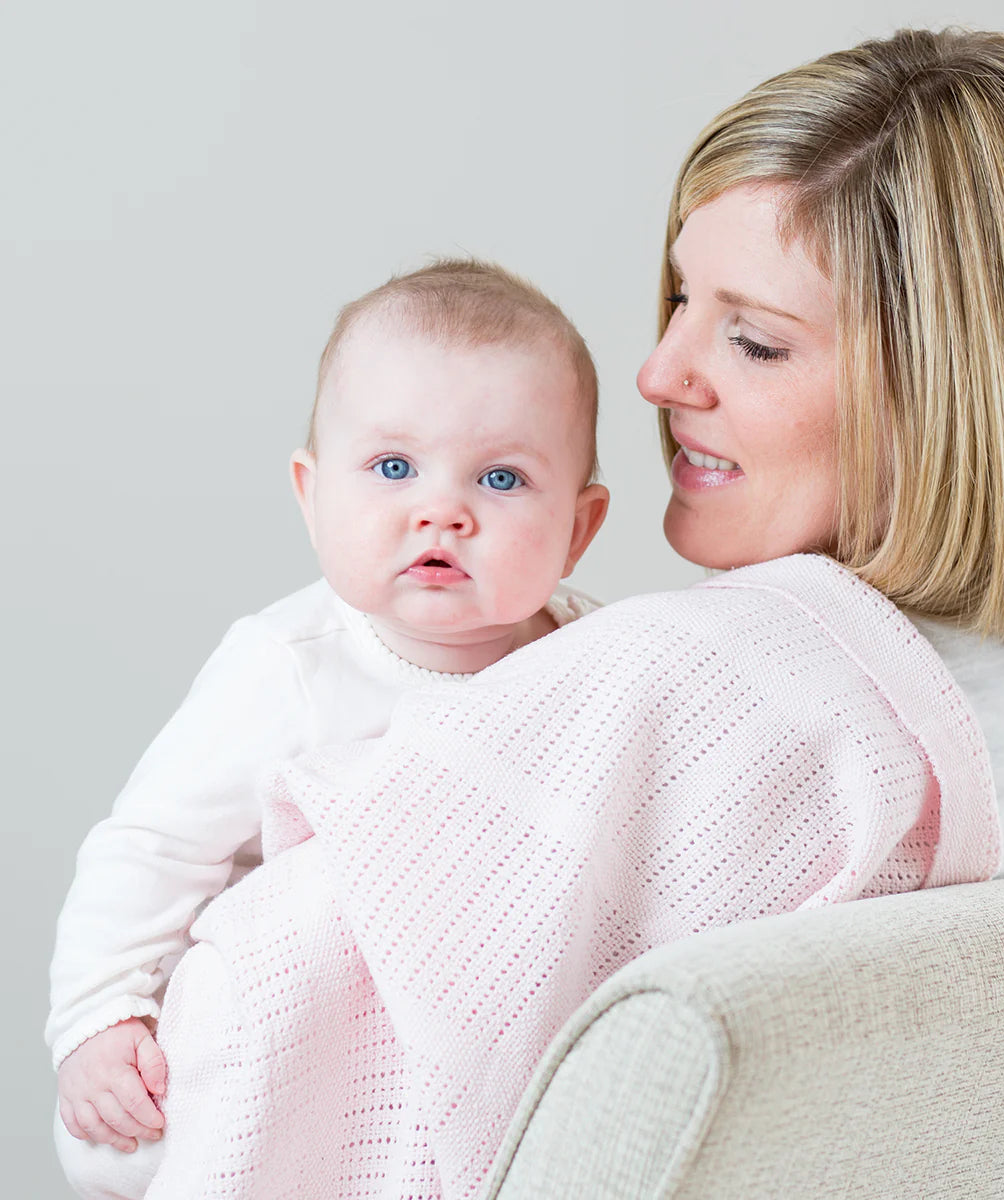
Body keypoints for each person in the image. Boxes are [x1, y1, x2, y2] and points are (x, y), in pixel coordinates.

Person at [62, 25, 1004, 1200]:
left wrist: (107, 1057)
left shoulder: (669, 687)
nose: (658, 371)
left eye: (751, 339)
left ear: (954, 394)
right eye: (682, 297)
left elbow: (204, 1078)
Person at [48, 259, 611, 1186]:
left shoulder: (592, 654)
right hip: (295, 1024)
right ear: (312, 495)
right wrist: (103, 1019)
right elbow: (150, 848)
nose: (443, 510)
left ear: (578, 530)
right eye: (393, 468)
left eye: (502, 478)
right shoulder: (289, 668)